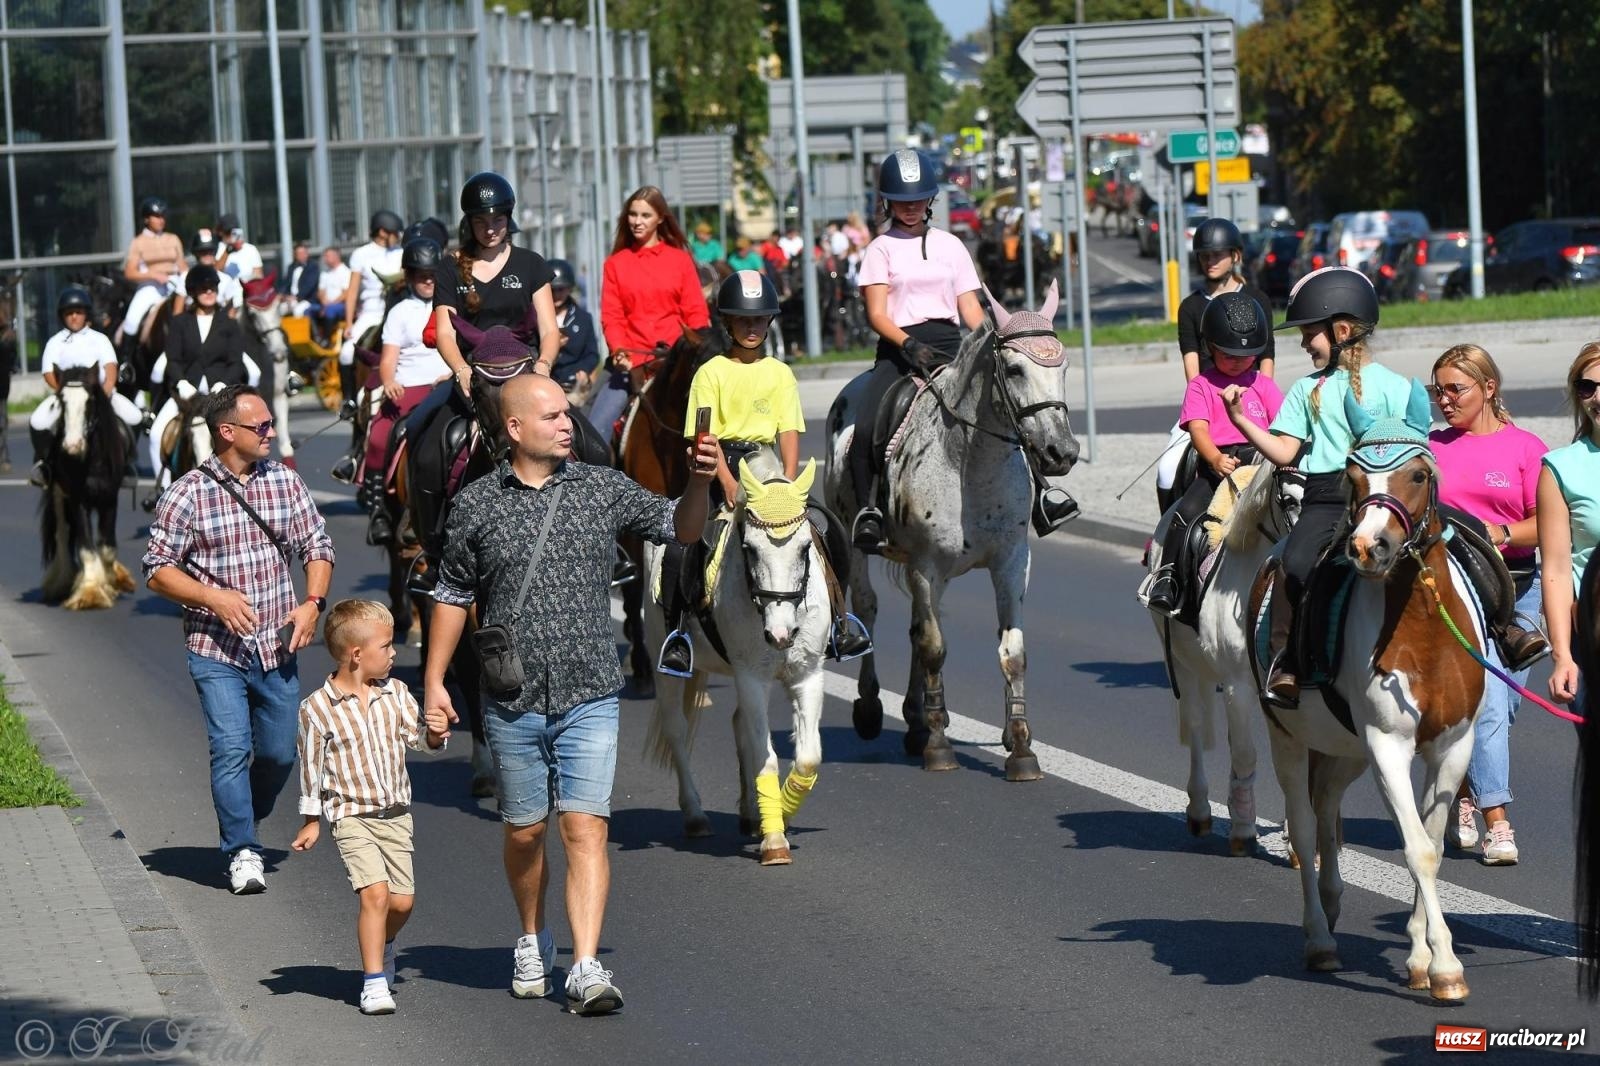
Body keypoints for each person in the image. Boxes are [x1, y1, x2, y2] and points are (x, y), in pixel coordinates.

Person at [423, 371, 719, 1015]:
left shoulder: (600, 489)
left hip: (590, 693)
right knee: (526, 833)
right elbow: (450, 594)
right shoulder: (477, 504)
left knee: (585, 828)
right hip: (511, 698)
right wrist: (434, 683)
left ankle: (585, 966)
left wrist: (699, 480)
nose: (567, 423)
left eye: (567, 413)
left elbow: (683, 529)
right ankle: (531, 936)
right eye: (553, 415)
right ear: (514, 428)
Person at [143, 383, 335, 894]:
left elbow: (317, 543)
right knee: (230, 749)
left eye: (271, 423)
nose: (272, 432)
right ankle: (242, 849)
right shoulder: (187, 492)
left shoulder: (285, 483)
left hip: (277, 646)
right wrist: (214, 598)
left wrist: (312, 603)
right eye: (262, 426)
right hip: (215, 650)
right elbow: (157, 571)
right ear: (227, 432)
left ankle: (243, 816)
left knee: (277, 755)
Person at [850, 148, 1078, 551]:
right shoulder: (879, 249)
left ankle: (1041, 494)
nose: (910, 207)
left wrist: (995, 339)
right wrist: (907, 343)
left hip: (952, 345)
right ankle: (870, 510)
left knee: (1007, 405)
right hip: (899, 348)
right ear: (887, 201)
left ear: (931, 199)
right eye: (901, 201)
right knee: (868, 422)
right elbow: (876, 313)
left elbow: (970, 307)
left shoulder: (951, 245)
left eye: (918, 199)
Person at [1222, 267, 1416, 707]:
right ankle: (1285, 662)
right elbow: (1287, 453)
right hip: (1327, 495)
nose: (1303, 342)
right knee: (1294, 562)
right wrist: (1241, 422)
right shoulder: (1307, 388)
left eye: (1310, 333)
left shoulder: (1396, 387)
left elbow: (1408, 451)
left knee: (1445, 549)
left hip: (1381, 494)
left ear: (1342, 329)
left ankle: (1500, 628)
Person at [292, 599, 449, 1016]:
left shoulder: (396, 694)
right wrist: (312, 821)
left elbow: (418, 740)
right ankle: (374, 982)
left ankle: (385, 943)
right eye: (387, 645)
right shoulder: (316, 709)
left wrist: (434, 735)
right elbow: (311, 769)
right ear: (357, 655)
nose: (395, 652)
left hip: (396, 814)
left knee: (402, 902)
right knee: (375, 896)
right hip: (352, 816)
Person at [1430, 344, 1548, 866]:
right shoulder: (1430, 447)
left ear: (1488, 388)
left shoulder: (1525, 447)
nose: (1445, 400)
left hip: (1519, 586)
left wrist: (1498, 531)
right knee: (1490, 704)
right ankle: (1499, 821)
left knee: (1508, 705)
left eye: (1456, 389)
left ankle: (1462, 792)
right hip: (1459, 590)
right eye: (1438, 390)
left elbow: (1546, 523)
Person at [1144, 291, 1282, 616]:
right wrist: (1215, 459)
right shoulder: (1202, 386)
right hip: (1217, 465)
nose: (1238, 361)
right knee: (1184, 514)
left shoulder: (1262, 384)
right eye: (1229, 354)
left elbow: (1281, 424)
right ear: (1211, 347)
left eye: (1245, 356)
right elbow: (1198, 430)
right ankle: (1169, 576)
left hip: (1260, 462)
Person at [1156, 219, 1278, 513]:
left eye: (1217, 255)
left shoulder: (1257, 300)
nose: (1210, 261)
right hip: (1207, 398)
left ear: (1235, 256)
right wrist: (1203, 400)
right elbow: (1191, 360)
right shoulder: (1191, 307)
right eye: (1205, 255)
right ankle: (1166, 530)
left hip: (1250, 396)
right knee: (1167, 467)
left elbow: (1267, 357)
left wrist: (1258, 394)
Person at [431, 172, 560, 446]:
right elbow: (444, 332)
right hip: (474, 378)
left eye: (497, 220)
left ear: (508, 218)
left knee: (589, 443)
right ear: (469, 222)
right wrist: (461, 370)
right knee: (429, 443)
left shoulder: (532, 264)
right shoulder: (449, 268)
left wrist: (544, 366)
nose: (490, 229)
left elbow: (549, 330)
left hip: (528, 371)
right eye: (481, 222)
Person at [591, 185, 710, 439]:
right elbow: (612, 317)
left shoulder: (680, 260)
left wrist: (695, 352)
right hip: (631, 363)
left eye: (645, 215)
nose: (637, 222)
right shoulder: (615, 264)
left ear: (660, 218)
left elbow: (696, 314)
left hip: (677, 361)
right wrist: (619, 352)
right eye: (632, 215)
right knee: (596, 432)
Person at [361, 238, 449, 545]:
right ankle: (378, 512)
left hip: (447, 383)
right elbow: (388, 360)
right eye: (420, 274)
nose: (427, 280)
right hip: (408, 385)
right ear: (409, 277)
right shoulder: (398, 312)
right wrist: (388, 381)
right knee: (378, 435)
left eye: (432, 273)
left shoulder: (453, 305)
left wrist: (453, 373)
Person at [146, 266, 260, 490]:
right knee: (156, 433)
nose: (209, 292)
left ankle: (251, 483)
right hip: (187, 395)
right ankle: (164, 490)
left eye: (212, 288)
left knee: (249, 433)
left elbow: (235, 361)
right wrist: (181, 383)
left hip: (220, 393)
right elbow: (174, 359)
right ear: (193, 292)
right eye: (203, 288)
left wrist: (223, 384)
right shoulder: (180, 323)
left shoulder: (228, 324)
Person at [28, 287, 147, 487]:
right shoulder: (55, 342)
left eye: (78, 312)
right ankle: (44, 464)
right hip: (67, 396)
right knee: (37, 421)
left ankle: (126, 462)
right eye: (69, 313)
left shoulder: (99, 339)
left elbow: (110, 368)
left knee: (134, 416)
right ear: (62, 316)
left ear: (86, 314)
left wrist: (106, 391)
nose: (74, 317)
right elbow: (48, 372)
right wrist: (62, 393)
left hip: (99, 394)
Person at [1539, 341, 1600, 714]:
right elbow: (1558, 571)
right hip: (1592, 638)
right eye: (1587, 387)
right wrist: (1563, 656)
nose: (1598, 397)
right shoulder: (1560, 469)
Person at [341, 211, 405, 403]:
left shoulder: (401, 253)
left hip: (397, 310)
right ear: (383, 232)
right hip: (371, 312)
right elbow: (352, 291)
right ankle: (349, 401)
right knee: (345, 353)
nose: (399, 237)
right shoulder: (361, 254)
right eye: (395, 233)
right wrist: (348, 323)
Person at [115, 197, 186, 351]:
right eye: (157, 216)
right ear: (147, 219)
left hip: (174, 282)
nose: (161, 220)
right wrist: (153, 275)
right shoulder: (138, 242)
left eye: (163, 216)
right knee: (132, 319)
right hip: (150, 285)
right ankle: (127, 361)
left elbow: (182, 265)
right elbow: (130, 272)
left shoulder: (173, 239)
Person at [547, 258, 600, 401]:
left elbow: (592, 354)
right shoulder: (537, 318)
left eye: (561, 289)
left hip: (573, 385)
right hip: (546, 384)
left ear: (570, 288)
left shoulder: (583, 318)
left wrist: (584, 370)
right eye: (552, 290)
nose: (557, 294)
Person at [215, 213, 264, 282]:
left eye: (234, 231)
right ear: (220, 232)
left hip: (248, 289)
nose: (231, 235)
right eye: (228, 232)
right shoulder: (217, 248)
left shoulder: (250, 249)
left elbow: (259, 274)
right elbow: (216, 271)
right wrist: (228, 251)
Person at [315, 246, 351, 338]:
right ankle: (316, 337)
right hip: (325, 304)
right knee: (308, 310)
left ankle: (326, 339)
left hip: (340, 305)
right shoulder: (325, 273)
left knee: (330, 310)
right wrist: (323, 300)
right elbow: (320, 291)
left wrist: (330, 304)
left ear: (336, 256)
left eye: (327, 256)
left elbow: (346, 293)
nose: (325, 259)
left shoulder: (345, 272)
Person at [277, 242, 321, 315]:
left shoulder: (313, 266)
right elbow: (286, 283)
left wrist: (296, 297)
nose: (301, 255)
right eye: (298, 253)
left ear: (307, 253)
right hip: (291, 299)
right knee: (280, 309)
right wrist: (283, 295)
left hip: (307, 299)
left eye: (303, 253)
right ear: (295, 255)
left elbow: (309, 286)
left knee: (298, 311)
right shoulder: (291, 267)